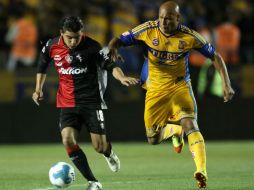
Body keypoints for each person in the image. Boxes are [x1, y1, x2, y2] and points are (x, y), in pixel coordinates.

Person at [108, 1, 235, 189]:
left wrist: (226, 83)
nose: (163, 22)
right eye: (160, 17)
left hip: (180, 86)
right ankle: (175, 130)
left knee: (191, 123)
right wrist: (112, 48)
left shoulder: (189, 36)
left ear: (178, 18)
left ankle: (201, 171)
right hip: (155, 89)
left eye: (168, 18)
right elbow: (119, 39)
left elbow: (215, 56)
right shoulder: (148, 29)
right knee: (153, 138)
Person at [32, 16, 138, 190]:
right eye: (69, 37)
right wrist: (38, 89)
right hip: (67, 103)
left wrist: (122, 77)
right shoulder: (51, 45)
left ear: (82, 33)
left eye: (77, 36)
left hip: (92, 102)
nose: (73, 41)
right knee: (67, 139)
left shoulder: (92, 47)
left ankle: (108, 152)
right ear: (61, 34)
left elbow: (111, 66)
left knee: (99, 146)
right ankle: (93, 181)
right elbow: (42, 66)